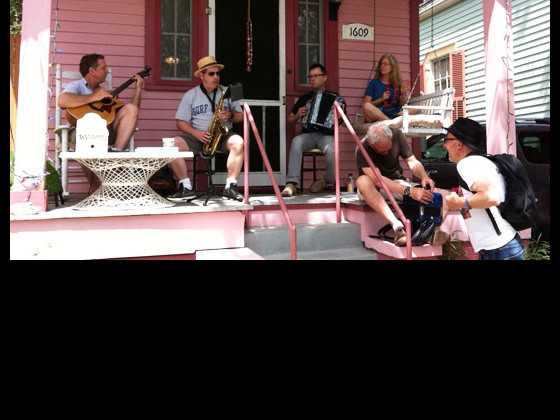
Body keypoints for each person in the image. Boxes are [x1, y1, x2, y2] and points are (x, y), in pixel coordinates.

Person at [355, 119, 450, 247]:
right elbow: (378, 180)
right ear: (371, 144)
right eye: (382, 151)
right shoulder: (362, 148)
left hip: (398, 184)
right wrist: (408, 191)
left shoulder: (397, 135)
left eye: (388, 148)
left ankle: (430, 233)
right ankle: (398, 228)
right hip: (373, 189)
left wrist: (424, 176)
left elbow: (411, 161)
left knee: (445, 196)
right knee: (362, 180)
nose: (387, 152)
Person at [443, 118, 525, 260]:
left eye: (447, 139)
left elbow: (491, 196)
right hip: (501, 247)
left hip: (499, 250)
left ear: (458, 144)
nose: (444, 145)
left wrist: (459, 203)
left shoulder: (468, 164)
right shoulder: (483, 161)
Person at [166, 56, 244, 202]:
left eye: (217, 74)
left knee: (238, 142)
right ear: (201, 75)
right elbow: (180, 122)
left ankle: (230, 186)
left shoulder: (228, 91)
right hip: (199, 136)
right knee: (173, 144)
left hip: (222, 135)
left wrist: (231, 115)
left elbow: (241, 116)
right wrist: (196, 133)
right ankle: (186, 187)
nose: (216, 77)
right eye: (211, 74)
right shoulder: (190, 95)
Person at [281, 63, 346, 197]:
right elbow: (289, 121)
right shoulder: (304, 99)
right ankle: (291, 183)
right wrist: (298, 115)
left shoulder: (335, 98)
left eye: (316, 76)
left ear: (324, 78)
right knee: (296, 141)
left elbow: (343, 122)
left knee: (332, 148)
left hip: (326, 136)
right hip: (308, 135)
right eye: (310, 76)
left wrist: (340, 115)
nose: (312, 79)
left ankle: (327, 180)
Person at [58, 53, 144, 152]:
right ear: (92, 71)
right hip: (82, 134)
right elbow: (62, 100)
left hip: (104, 134)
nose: (106, 71)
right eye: (103, 68)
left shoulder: (105, 93)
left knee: (131, 108)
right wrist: (94, 96)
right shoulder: (76, 86)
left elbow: (132, 113)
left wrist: (138, 89)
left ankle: (116, 153)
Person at [361, 54, 410, 124]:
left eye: (385, 64)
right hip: (377, 116)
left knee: (415, 110)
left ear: (392, 67)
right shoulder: (373, 83)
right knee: (367, 106)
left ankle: (390, 122)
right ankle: (390, 123)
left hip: (394, 114)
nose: (382, 66)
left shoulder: (398, 84)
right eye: (381, 64)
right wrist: (380, 100)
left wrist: (402, 93)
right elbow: (366, 104)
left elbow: (403, 106)